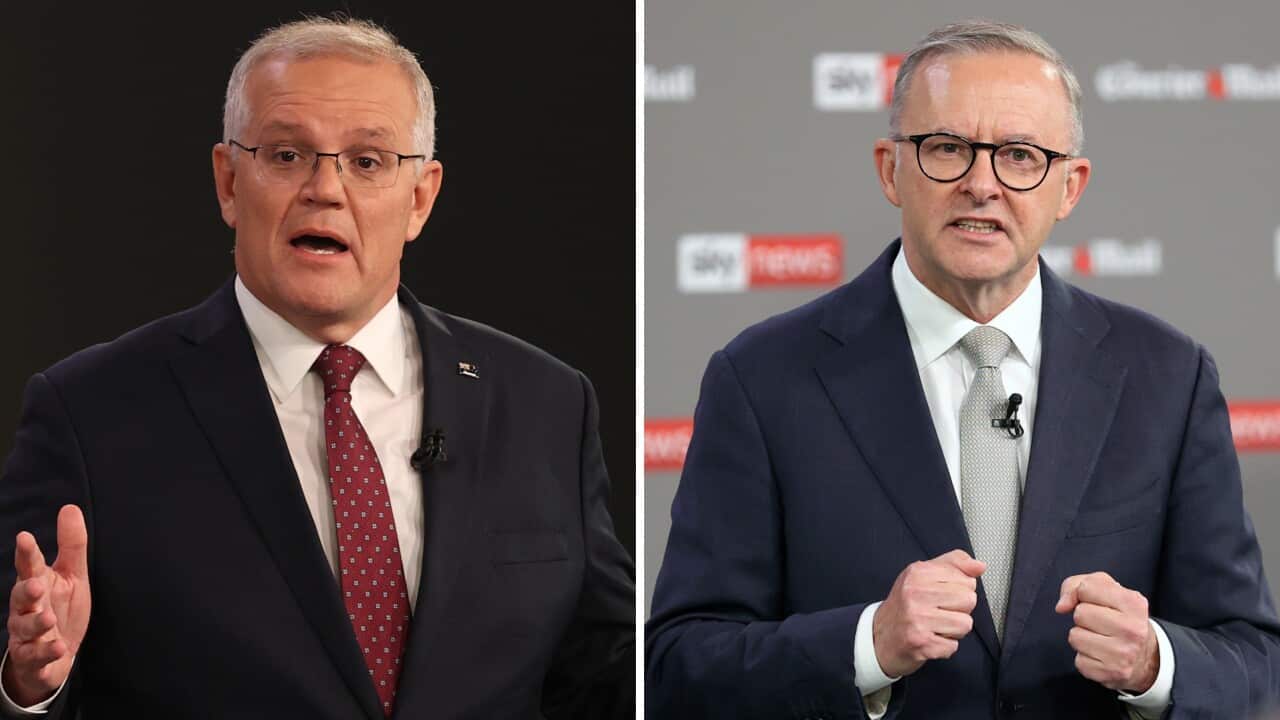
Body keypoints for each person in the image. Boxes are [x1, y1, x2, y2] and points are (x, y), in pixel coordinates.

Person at [0, 17, 633, 719]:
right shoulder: (92, 412)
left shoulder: (545, 401)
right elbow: (23, 661)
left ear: (420, 197)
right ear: (229, 182)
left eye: (366, 161)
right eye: (286, 154)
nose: (325, 189)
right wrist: (31, 682)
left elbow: (603, 672)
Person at [646, 20, 1280, 720]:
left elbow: (1253, 660)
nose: (982, 184)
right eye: (947, 148)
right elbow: (679, 665)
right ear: (891, 169)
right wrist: (865, 646)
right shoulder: (762, 379)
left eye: (1019, 155)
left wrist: (1156, 663)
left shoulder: (1168, 377)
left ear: (1070, 187)